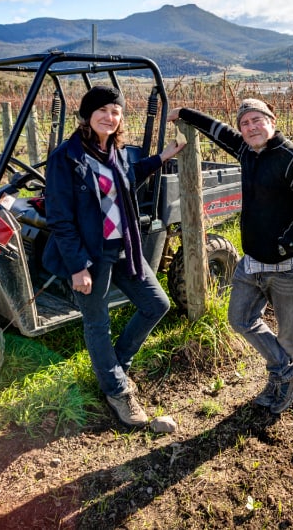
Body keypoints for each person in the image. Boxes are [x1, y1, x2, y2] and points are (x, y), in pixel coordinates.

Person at [167, 98, 293, 414]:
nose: (251, 127)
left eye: (257, 120)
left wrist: (284, 246)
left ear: (272, 120)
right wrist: (185, 114)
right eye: (245, 123)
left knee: (287, 335)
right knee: (240, 319)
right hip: (251, 262)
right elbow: (218, 131)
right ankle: (290, 373)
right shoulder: (247, 151)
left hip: (288, 265)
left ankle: (280, 385)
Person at [43, 85, 185, 427]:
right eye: (102, 111)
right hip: (90, 254)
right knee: (98, 322)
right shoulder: (67, 157)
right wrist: (78, 267)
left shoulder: (117, 152)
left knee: (157, 304)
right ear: (86, 117)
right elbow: (59, 218)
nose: (110, 117)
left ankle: (116, 365)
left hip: (125, 247)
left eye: (116, 111)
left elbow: (127, 178)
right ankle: (118, 392)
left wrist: (162, 157)